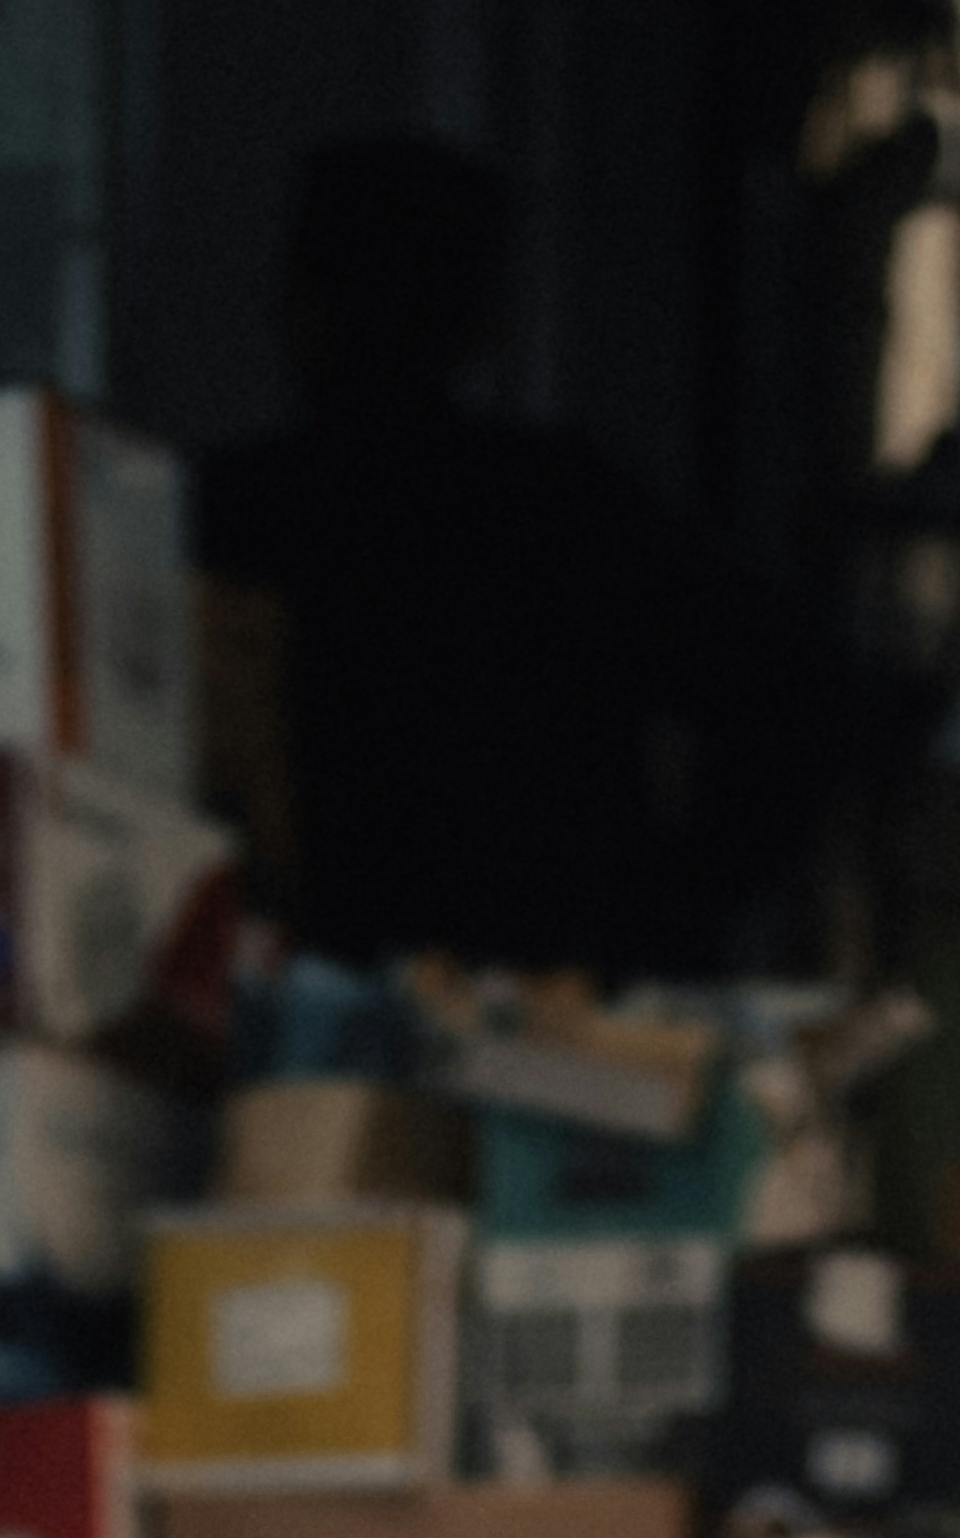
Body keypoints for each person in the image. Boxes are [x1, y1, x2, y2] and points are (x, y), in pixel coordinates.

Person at [196, 138, 816, 981]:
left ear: (297, 304)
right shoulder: (565, 508)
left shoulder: (226, 513)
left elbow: (784, 699)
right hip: (527, 1016)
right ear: (481, 321)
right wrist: (654, 916)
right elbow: (788, 702)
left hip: (321, 1024)